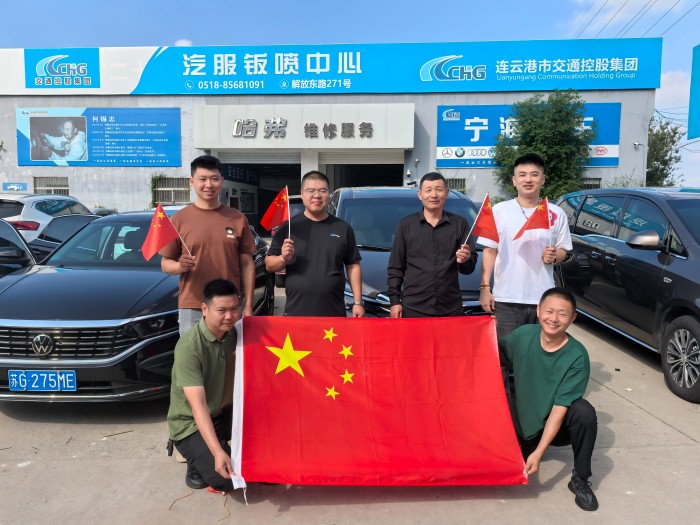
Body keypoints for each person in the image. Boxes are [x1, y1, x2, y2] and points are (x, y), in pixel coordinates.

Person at [500, 287, 598, 511]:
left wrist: (539, 453)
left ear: (573, 318)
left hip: (553, 426)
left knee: (583, 412)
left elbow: (559, 408)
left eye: (562, 314)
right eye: (549, 311)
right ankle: (522, 444)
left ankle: (581, 480)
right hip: (518, 422)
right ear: (538, 310)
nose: (554, 319)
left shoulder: (577, 356)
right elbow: (492, 355)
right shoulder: (523, 335)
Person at [478, 153, 572, 338]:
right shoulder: (499, 211)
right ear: (514, 180)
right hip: (506, 298)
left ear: (543, 179)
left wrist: (555, 255)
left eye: (534, 174)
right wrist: (484, 288)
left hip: (544, 299)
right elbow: (489, 251)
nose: (528, 179)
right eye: (522, 175)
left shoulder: (556, 213)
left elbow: (564, 250)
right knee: (507, 351)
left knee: (539, 350)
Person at [160, 155, 255, 335]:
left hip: (229, 306)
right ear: (192, 181)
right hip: (192, 305)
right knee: (192, 353)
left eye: (214, 179)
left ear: (222, 181)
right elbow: (165, 263)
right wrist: (180, 266)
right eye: (202, 179)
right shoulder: (179, 219)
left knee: (230, 352)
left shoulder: (237, 218)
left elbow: (247, 265)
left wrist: (248, 305)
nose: (209, 185)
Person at [167, 279, 240, 492]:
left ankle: (215, 447)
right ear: (204, 309)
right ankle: (195, 462)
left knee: (257, 462)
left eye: (234, 309)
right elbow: (198, 406)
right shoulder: (189, 347)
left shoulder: (235, 333)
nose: (229, 316)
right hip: (191, 421)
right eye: (222, 310)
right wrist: (217, 452)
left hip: (224, 412)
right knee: (226, 480)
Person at [265, 170, 364, 317]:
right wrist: (283, 259)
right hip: (296, 312)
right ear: (302, 193)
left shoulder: (342, 228)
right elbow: (269, 265)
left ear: (329, 194)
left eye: (322, 191)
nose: (317, 195)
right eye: (311, 191)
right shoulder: (289, 227)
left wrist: (358, 302)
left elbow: (353, 265)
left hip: (333, 312)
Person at [387, 172, 477, 318]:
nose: (433, 195)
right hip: (414, 308)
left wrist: (465, 260)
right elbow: (396, 267)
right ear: (420, 195)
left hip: (450, 308)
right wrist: (394, 301)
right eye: (428, 190)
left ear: (446, 193)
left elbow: (469, 268)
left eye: (439, 190)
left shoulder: (460, 224)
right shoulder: (406, 225)